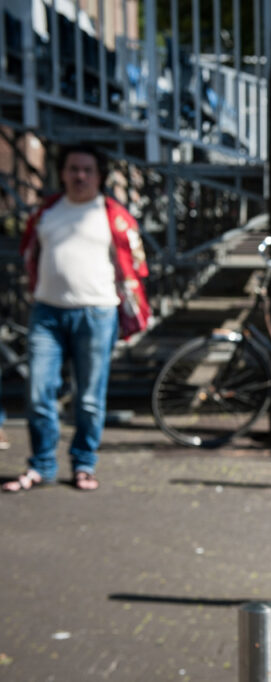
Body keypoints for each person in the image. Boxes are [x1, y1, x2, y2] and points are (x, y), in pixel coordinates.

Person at [2, 144, 150, 493]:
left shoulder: (112, 216)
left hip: (96, 313)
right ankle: (41, 465)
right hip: (47, 313)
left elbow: (134, 265)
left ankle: (84, 464)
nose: (79, 175)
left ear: (99, 175)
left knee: (89, 397)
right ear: (63, 173)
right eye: (73, 169)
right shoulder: (47, 212)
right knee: (38, 392)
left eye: (87, 169)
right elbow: (31, 255)